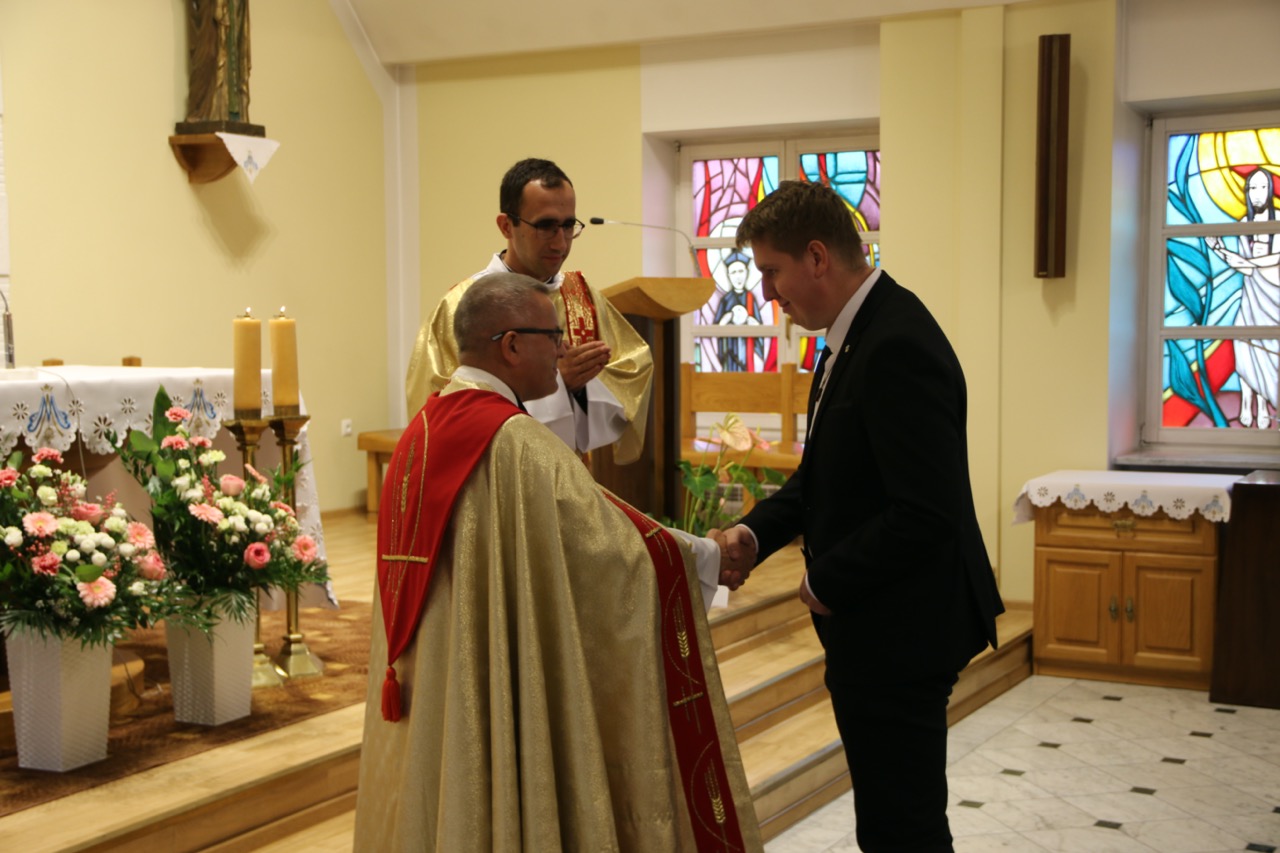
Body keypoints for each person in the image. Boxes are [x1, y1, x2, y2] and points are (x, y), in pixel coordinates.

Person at [355, 273, 762, 852]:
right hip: (485, 675)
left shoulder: (422, 431)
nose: (563, 349)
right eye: (552, 337)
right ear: (511, 345)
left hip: (435, 692)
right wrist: (707, 554)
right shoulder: (515, 441)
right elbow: (607, 545)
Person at [719, 181, 1004, 853]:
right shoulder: (855, 335)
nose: (768, 292)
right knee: (890, 818)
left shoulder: (896, 342)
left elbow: (925, 511)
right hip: (881, 625)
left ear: (817, 257)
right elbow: (823, 476)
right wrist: (753, 534)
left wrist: (826, 579)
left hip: (902, 628)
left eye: (773, 271)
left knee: (901, 827)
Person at [405, 158, 653, 463]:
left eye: (568, 226)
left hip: (570, 473)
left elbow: (632, 371)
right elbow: (439, 415)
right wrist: (557, 385)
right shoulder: (463, 306)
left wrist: (579, 391)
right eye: (545, 226)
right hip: (494, 477)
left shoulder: (581, 298)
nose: (560, 243)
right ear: (506, 226)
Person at [1209, 167, 1280, 429]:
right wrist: (1219, 250)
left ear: (1270, 190)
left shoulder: (1279, 219)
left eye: (1262, 187)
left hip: (1273, 295)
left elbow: (1275, 258)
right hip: (1251, 294)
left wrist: (1244, 260)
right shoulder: (1243, 224)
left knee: (1268, 350)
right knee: (1244, 345)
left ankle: (1263, 405)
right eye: (1252, 188)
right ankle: (1247, 403)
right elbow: (1246, 269)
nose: (1257, 193)